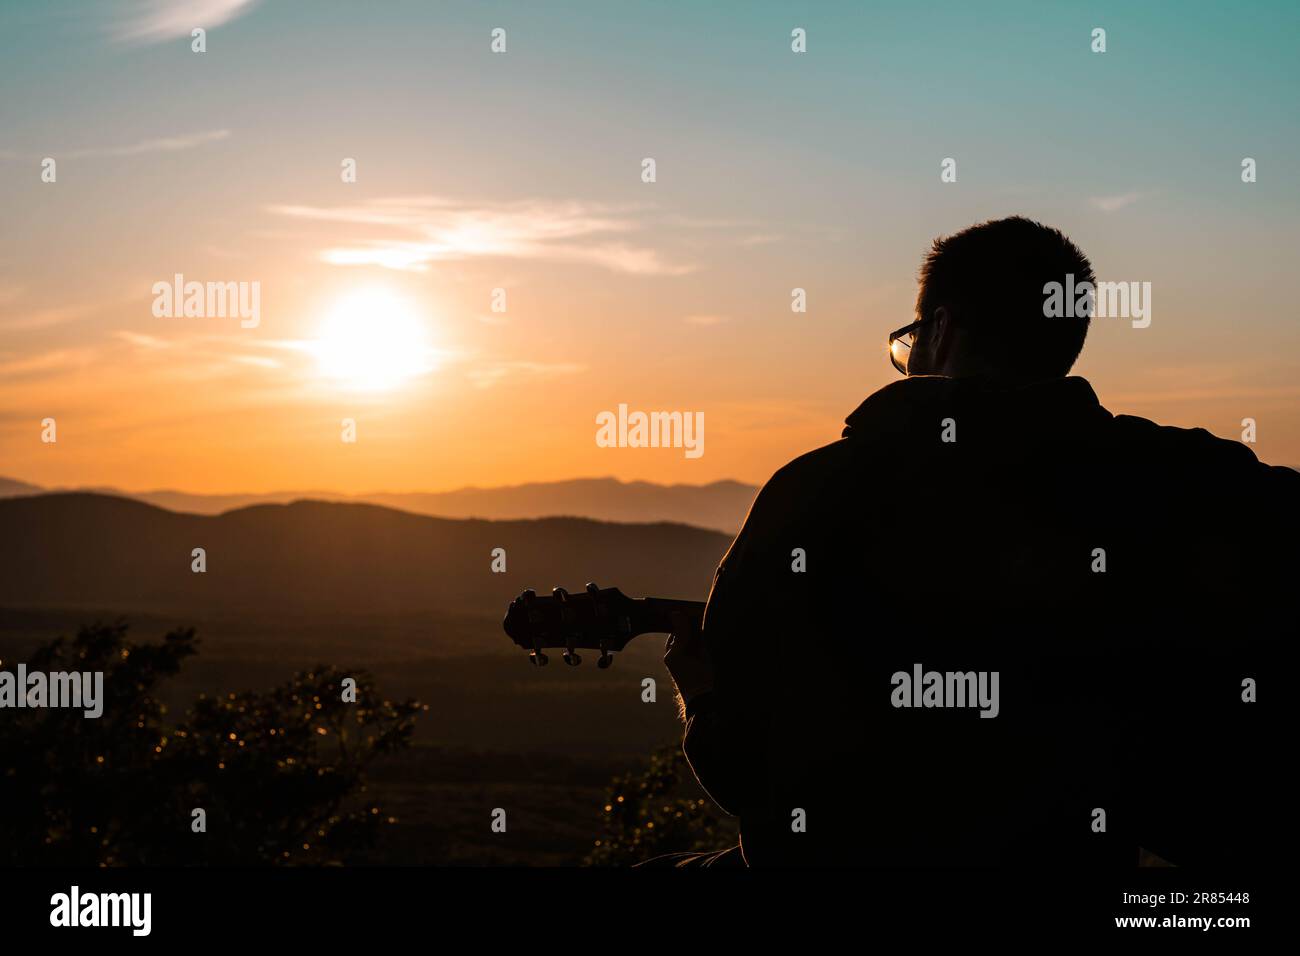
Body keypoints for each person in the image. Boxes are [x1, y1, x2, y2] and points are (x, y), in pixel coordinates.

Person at [660, 216, 1297, 867]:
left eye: (911, 340)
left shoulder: (815, 493)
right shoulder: (1183, 479)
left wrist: (701, 695)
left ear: (941, 329)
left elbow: (744, 771)